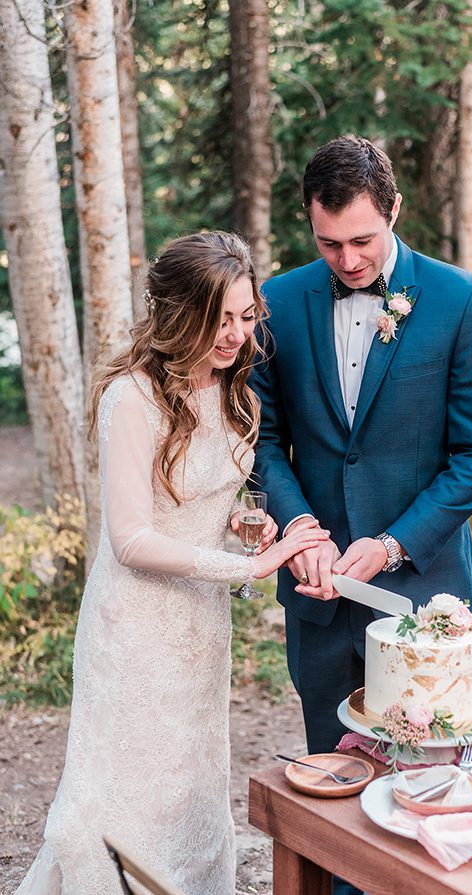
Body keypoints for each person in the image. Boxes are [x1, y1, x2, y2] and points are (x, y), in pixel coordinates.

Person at [16, 232, 328, 894]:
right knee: (127, 795)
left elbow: (208, 503)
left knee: (188, 784)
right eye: (220, 320)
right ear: (180, 313)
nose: (237, 334)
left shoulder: (235, 390)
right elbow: (131, 537)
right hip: (133, 627)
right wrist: (257, 564)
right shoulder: (130, 398)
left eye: (247, 316)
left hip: (200, 625)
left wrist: (245, 525)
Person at [251, 133, 472, 759]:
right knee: (331, 780)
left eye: (362, 240)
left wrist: (392, 545)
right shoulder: (277, 302)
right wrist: (302, 531)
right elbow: (261, 439)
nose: (347, 260)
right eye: (329, 242)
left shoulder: (460, 300)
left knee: (428, 783)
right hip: (319, 598)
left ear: (394, 209)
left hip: (425, 595)